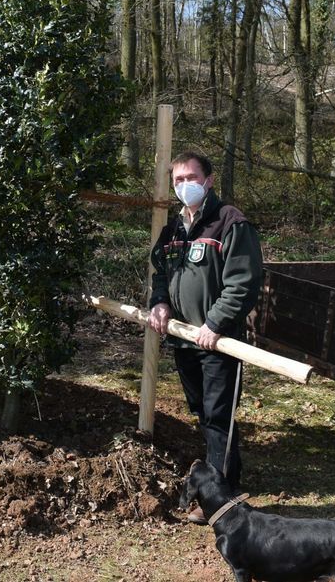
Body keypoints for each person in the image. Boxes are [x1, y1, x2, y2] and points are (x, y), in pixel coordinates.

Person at [146, 150, 262, 523]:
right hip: (184, 339)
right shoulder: (174, 228)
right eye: (178, 180)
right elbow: (160, 271)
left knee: (218, 416)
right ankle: (224, 485)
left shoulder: (230, 223)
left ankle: (220, 500)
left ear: (208, 180)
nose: (184, 186)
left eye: (191, 178)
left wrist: (215, 323)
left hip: (217, 340)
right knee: (202, 412)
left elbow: (243, 283)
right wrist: (160, 302)